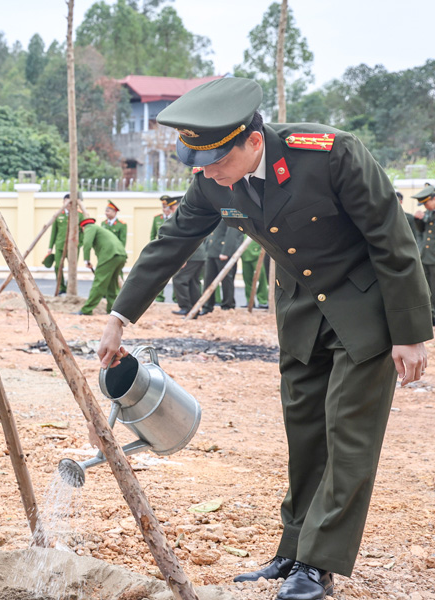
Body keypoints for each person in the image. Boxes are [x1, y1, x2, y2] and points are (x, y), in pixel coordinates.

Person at [95, 77, 430, 600]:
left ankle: (317, 566)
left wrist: (410, 333)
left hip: (365, 309)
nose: (207, 176)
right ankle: (293, 550)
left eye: (216, 163)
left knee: (349, 438)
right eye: (199, 166)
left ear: (253, 142)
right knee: (304, 435)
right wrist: (120, 316)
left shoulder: (331, 155)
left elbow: (392, 237)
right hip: (300, 312)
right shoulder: (211, 179)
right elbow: (172, 242)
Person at [75, 217, 126, 315]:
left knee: (99, 283)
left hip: (110, 256)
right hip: (121, 255)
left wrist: (87, 260)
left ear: (83, 227)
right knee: (112, 284)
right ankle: (112, 310)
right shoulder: (101, 230)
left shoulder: (89, 227)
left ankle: (87, 310)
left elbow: (87, 243)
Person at [165, 196, 205, 317]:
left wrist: (183, 258)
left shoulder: (182, 218)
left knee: (179, 279)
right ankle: (195, 310)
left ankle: (186, 307)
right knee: (193, 282)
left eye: (172, 207)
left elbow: (185, 241)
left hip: (192, 254)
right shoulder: (190, 216)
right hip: (198, 254)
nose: (171, 210)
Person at [200, 220, 243, 314]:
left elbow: (232, 233)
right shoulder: (215, 211)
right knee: (208, 280)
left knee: (227, 281)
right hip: (211, 250)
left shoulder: (229, 210)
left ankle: (227, 305)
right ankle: (207, 305)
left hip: (223, 252)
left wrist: (226, 251)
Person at [45, 194, 84, 295]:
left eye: (70, 202)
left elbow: (84, 231)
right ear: (63, 202)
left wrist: (80, 244)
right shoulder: (59, 214)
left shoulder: (79, 215)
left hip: (74, 247)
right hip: (60, 246)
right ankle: (62, 286)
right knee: (58, 266)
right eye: (66, 202)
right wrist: (50, 247)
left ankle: (70, 289)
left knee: (72, 269)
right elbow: (54, 232)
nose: (68, 205)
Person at [410, 183, 435, 325]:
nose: (425, 206)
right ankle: (430, 314)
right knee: (427, 288)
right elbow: (421, 232)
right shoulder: (429, 214)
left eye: (427, 203)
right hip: (426, 256)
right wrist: (418, 219)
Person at [151, 196, 174, 302]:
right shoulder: (157, 218)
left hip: (173, 249)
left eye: (167, 206)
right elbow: (152, 235)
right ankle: (159, 297)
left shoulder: (175, 216)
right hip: (160, 250)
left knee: (176, 274)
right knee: (158, 274)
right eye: (163, 206)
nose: (165, 208)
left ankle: (177, 298)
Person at [241, 236, 269, 309]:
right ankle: (250, 301)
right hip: (244, 255)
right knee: (247, 280)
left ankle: (263, 301)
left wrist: (259, 251)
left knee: (262, 278)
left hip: (258, 255)